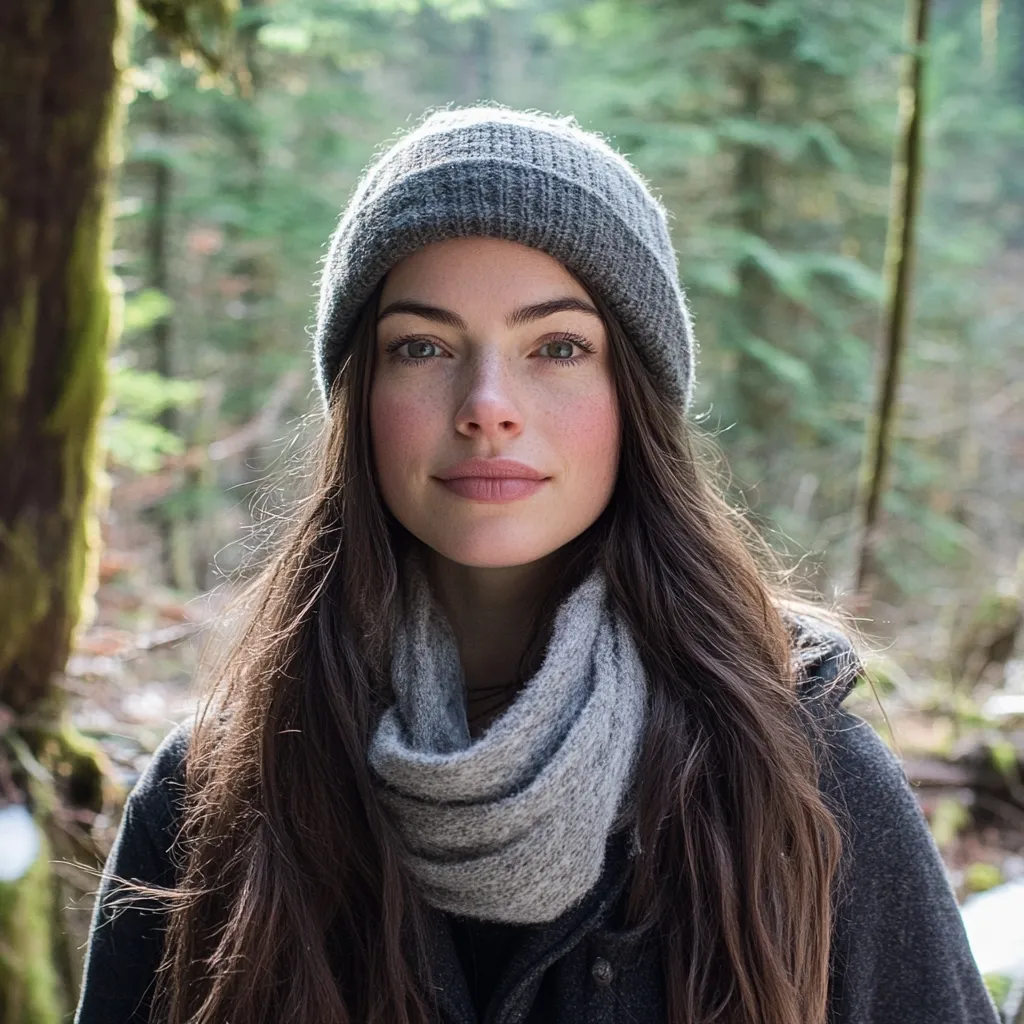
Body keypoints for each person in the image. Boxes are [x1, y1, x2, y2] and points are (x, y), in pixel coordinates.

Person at [73, 104, 999, 1024]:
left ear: (632, 396)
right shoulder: (214, 794)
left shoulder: (807, 782)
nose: (487, 406)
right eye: (423, 347)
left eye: (557, 347)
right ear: (360, 400)